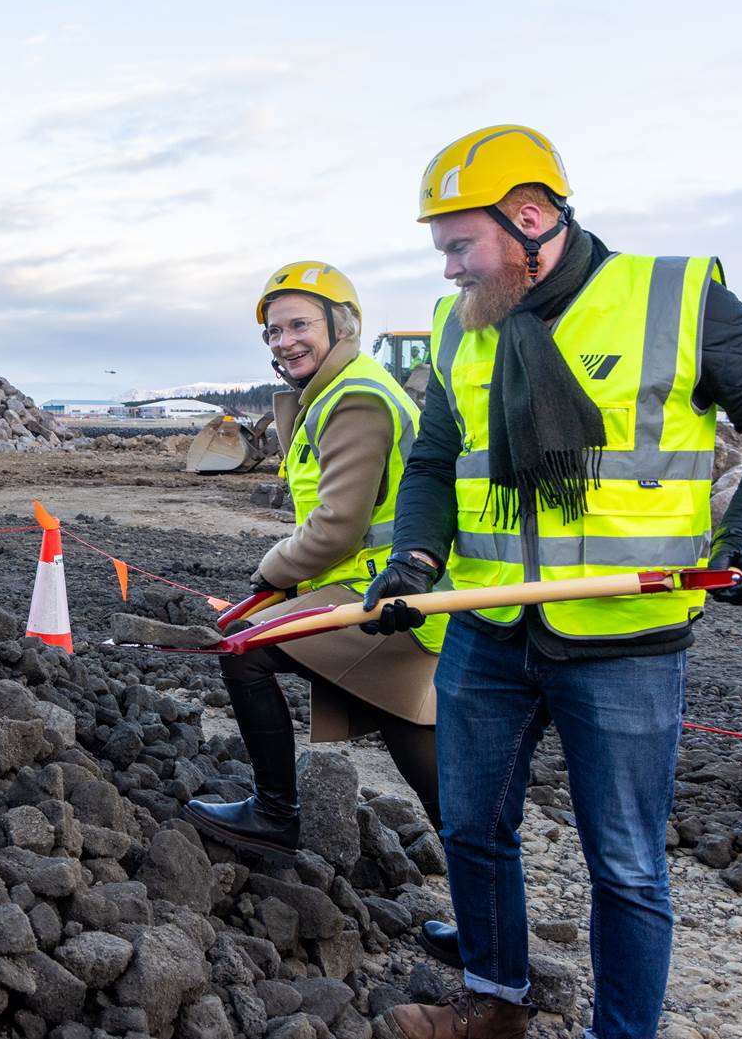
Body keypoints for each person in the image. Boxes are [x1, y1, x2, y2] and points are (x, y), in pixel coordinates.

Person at [369, 126, 742, 1039]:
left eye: (462, 245)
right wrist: (416, 558)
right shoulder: (460, 327)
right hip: (489, 627)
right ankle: (493, 1001)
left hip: (624, 640)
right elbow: (432, 461)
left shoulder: (673, 297)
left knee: (624, 865)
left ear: (532, 219)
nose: (451, 268)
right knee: (470, 828)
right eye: (443, 250)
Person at [179, 262, 460, 966]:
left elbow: (337, 526)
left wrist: (269, 572)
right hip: (373, 596)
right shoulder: (333, 391)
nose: (284, 341)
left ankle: (276, 812)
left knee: (244, 648)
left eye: (299, 324)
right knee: (421, 753)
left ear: (344, 323)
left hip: (384, 602)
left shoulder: (357, 398)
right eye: (275, 330)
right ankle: (491, 920)